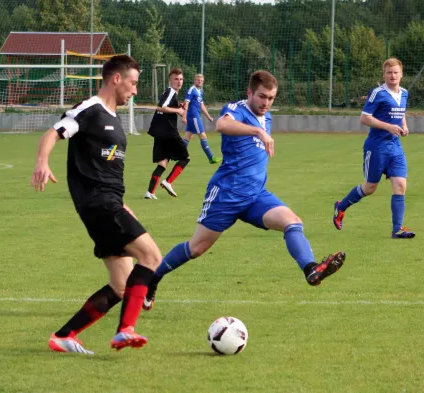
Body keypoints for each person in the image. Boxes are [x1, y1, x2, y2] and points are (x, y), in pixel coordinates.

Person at [142, 70, 346, 311]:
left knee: (292, 222)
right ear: (250, 92)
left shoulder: (266, 117)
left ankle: (311, 268)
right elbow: (222, 124)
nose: (266, 103)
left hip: (256, 195)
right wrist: (258, 131)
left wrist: (262, 129)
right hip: (226, 194)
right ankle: (152, 279)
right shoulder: (237, 109)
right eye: (262, 97)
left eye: (271, 98)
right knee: (196, 248)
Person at [30, 55, 162, 354]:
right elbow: (54, 132)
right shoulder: (90, 110)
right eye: (133, 83)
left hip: (109, 203)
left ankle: (64, 336)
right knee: (151, 257)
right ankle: (125, 330)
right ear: (116, 78)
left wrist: (123, 205)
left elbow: (108, 171)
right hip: (98, 204)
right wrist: (42, 162)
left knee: (120, 286)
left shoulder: (114, 119)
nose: (135, 90)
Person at [332, 58, 415, 239]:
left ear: (401, 74)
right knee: (370, 188)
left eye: (395, 72)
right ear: (384, 75)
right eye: (389, 73)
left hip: (395, 147)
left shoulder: (405, 93)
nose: (392, 76)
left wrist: (404, 125)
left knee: (400, 185)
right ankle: (341, 207)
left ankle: (397, 230)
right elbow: (364, 118)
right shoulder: (377, 93)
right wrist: (387, 127)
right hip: (376, 147)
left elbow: (401, 112)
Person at [144, 68, 190, 199]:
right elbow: (161, 107)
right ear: (170, 80)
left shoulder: (170, 93)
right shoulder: (171, 91)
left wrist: (179, 107)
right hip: (168, 132)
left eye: (181, 79)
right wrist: (179, 111)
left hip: (160, 132)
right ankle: (168, 181)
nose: (179, 81)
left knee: (163, 162)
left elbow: (167, 107)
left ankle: (150, 192)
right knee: (185, 158)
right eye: (176, 79)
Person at [183, 74, 221, 164]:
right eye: (198, 80)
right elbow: (186, 103)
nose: (199, 81)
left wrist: (208, 116)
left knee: (187, 137)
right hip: (194, 116)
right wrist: (184, 116)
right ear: (194, 81)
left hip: (195, 116)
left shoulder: (200, 91)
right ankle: (211, 157)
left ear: (203, 82)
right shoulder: (192, 90)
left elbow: (201, 105)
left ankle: (177, 153)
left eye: (201, 80)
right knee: (202, 135)